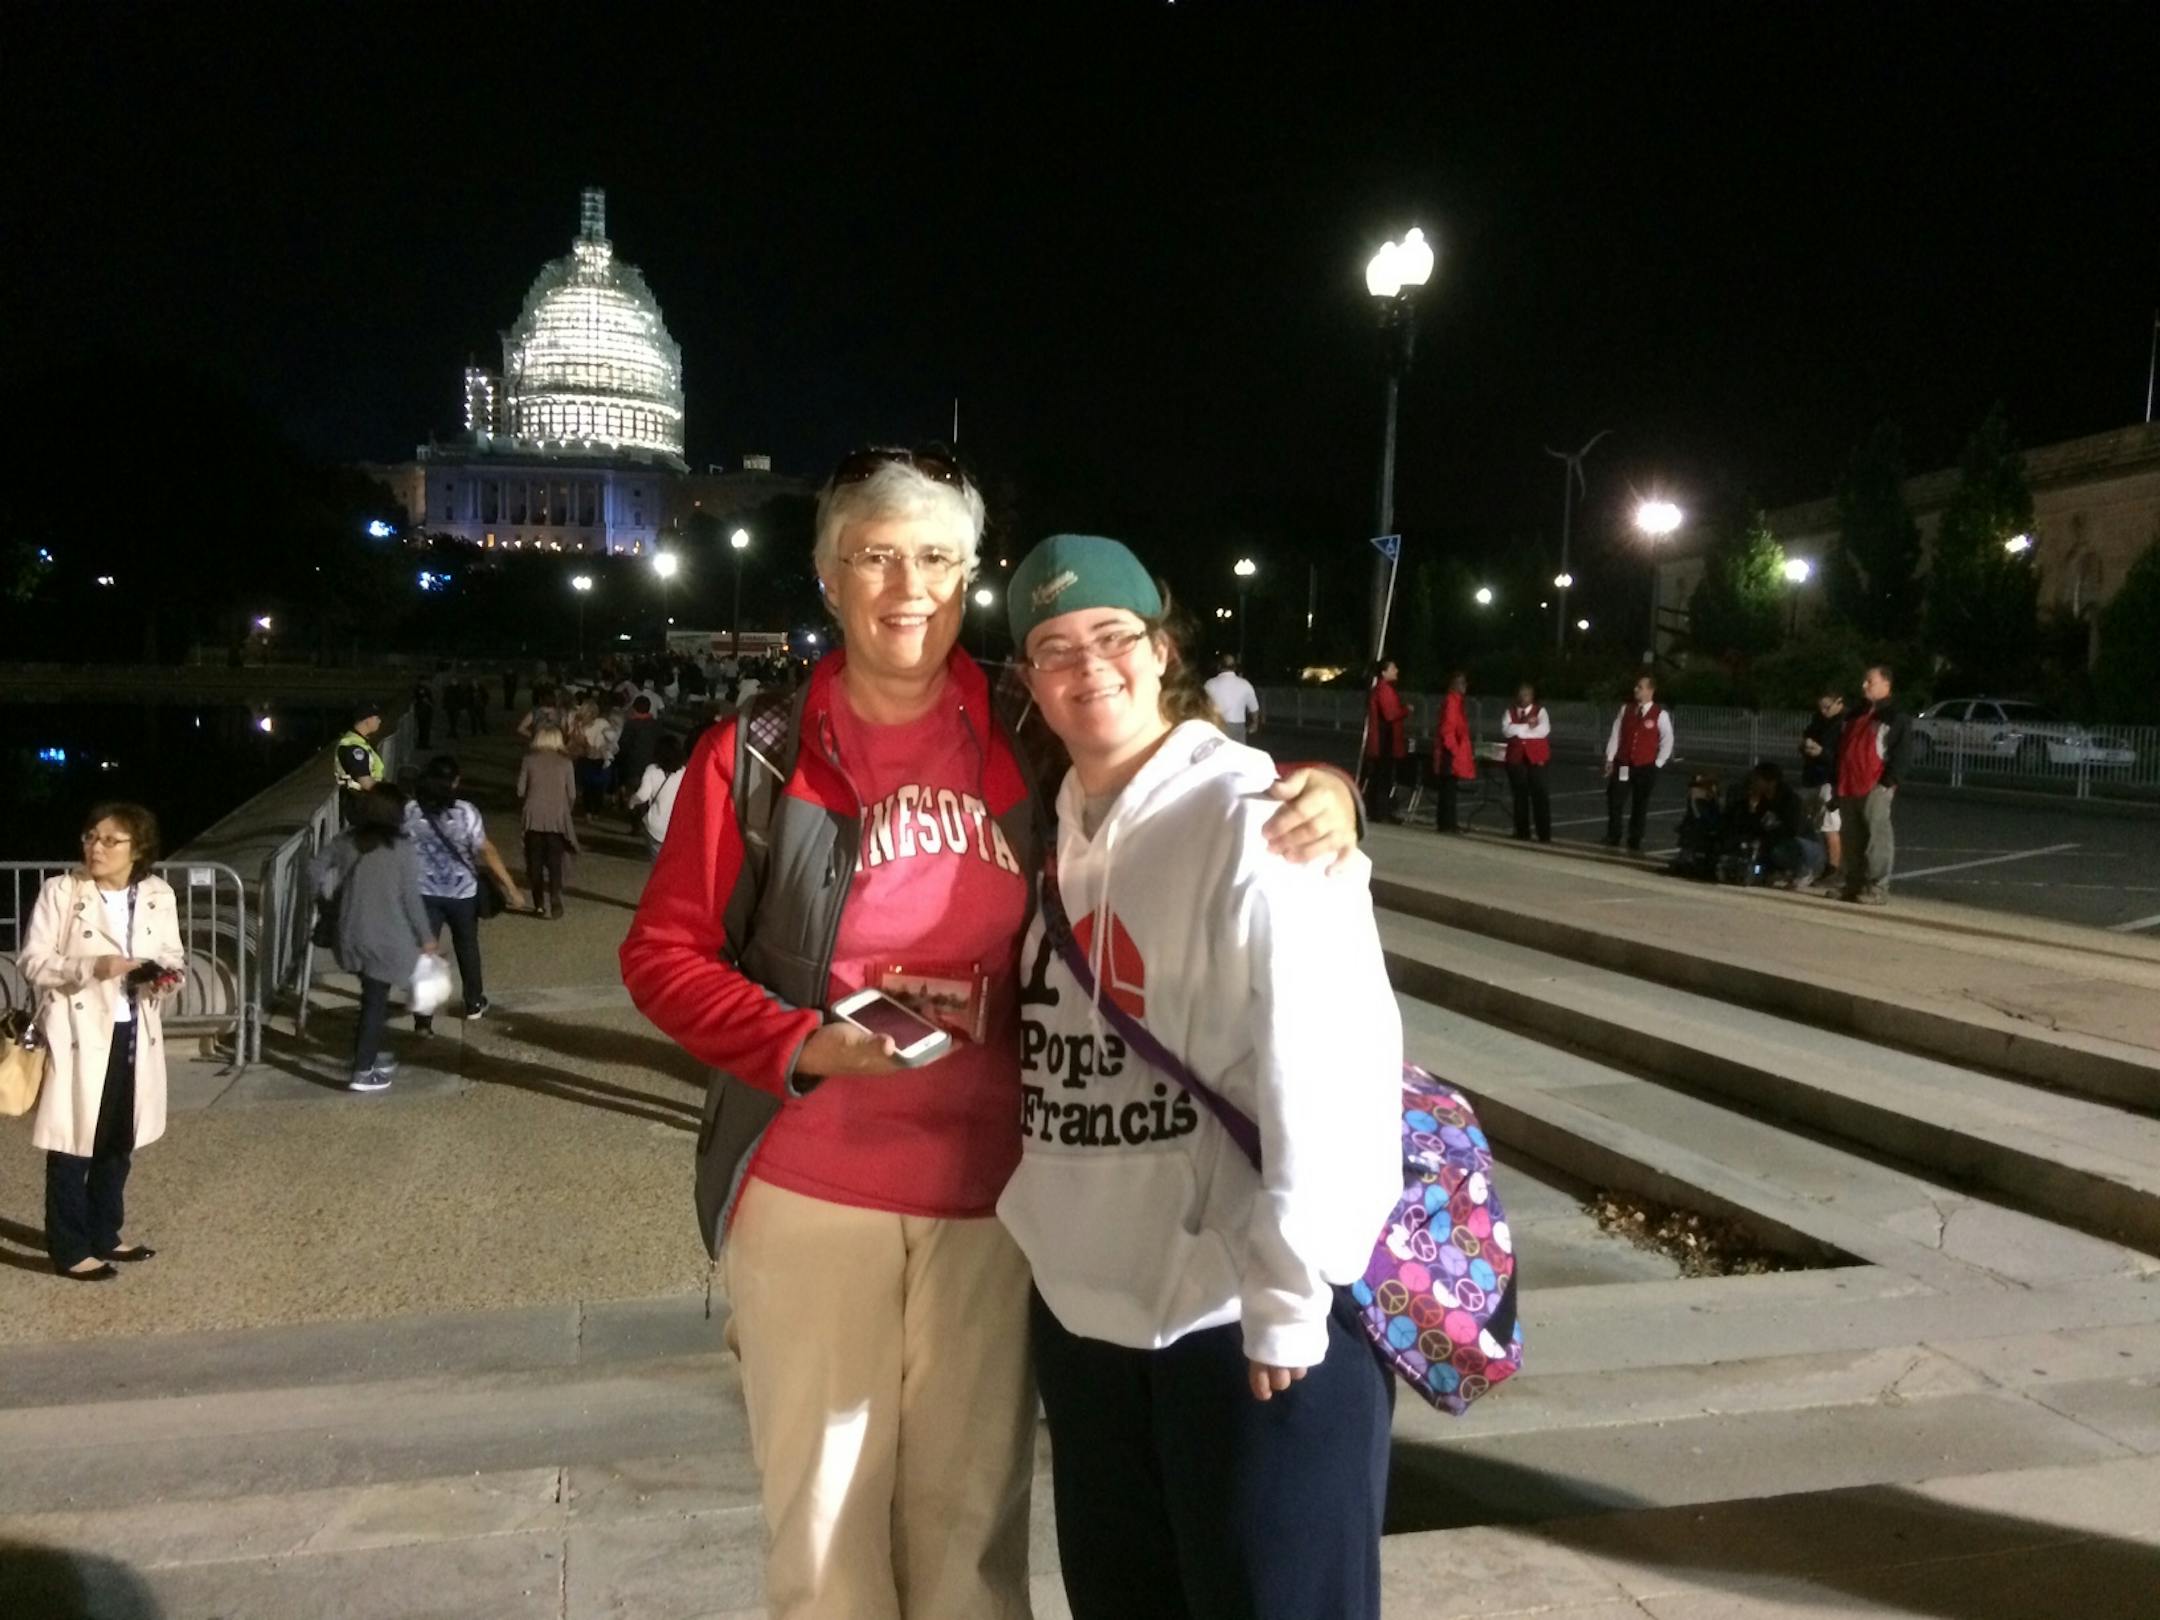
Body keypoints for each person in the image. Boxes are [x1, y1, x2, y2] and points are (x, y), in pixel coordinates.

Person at [619, 449, 1361, 1620]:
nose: (906, 587)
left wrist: (1323, 789)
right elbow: (661, 955)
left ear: (968, 578)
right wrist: (802, 1044)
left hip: (996, 1194)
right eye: (875, 556)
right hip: (814, 1189)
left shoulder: (1023, 725)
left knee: (972, 1526)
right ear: (827, 576)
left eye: (935, 558)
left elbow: (1161, 762)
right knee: (826, 1527)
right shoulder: (758, 753)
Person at [998, 533, 1401, 1620]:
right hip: (1089, 1323)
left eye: (1112, 636)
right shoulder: (1051, 833)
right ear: (1029, 680)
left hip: (1242, 1325)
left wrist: (1289, 1298)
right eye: (1054, 649)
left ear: (1161, 649)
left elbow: (1333, 1064)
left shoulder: (1256, 818)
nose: (1089, 667)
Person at [19, 803, 185, 1280]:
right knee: (72, 1140)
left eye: (110, 840)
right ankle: (70, 1248)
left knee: (118, 1138)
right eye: (91, 837)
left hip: (134, 1030)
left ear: (138, 848)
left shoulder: (158, 894)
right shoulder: (62, 891)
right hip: (77, 1034)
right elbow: (33, 961)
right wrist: (93, 967)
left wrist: (166, 978)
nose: (96, 847)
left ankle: (105, 1232)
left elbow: (172, 953)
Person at [310, 786, 435, 1092]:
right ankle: (362, 1071)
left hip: (350, 932)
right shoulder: (401, 848)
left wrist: (324, 903)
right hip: (386, 936)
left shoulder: (346, 841)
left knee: (372, 994)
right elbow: (411, 899)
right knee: (376, 1001)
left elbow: (313, 869)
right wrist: (426, 937)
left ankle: (371, 1052)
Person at [406, 756, 525, 1031]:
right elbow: (487, 850)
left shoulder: (411, 810)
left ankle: (423, 1016)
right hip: (462, 892)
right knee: (467, 946)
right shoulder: (465, 812)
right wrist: (510, 887)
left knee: (425, 951)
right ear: (455, 782)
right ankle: (473, 1002)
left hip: (424, 890)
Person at [1834, 663, 1909, 906]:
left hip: (1875, 785)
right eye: (1865, 681)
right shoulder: (1855, 714)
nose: (1864, 685)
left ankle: (1877, 887)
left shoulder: (1895, 716)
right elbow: (1842, 748)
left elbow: (1901, 753)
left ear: (1886, 684)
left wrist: (1888, 782)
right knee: (1851, 839)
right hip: (1848, 784)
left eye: (1870, 681)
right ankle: (1852, 884)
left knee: (1877, 839)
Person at [1603, 672, 1674, 852]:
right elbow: (1616, 734)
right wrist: (1610, 757)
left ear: (1650, 691)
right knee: (1615, 799)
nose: (1636, 690)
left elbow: (1667, 740)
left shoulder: (1660, 714)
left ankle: (1635, 838)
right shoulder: (1626, 709)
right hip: (1624, 763)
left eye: (1640, 687)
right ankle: (1613, 834)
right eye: (1636, 687)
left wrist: (1658, 763)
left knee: (1640, 803)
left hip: (1645, 766)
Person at [1730, 761, 1826, 889]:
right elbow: (1752, 829)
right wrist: (1752, 810)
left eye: (1757, 780)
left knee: (1779, 850)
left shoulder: (1790, 800)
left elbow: (1793, 830)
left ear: (1771, 782)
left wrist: (1769, 837)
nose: (1753, 783)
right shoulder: (1761, 801)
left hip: (1805, 847)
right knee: (1757, 847)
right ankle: (1776, 873)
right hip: (1780, 842)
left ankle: (1804, 872)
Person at [517, 726, 578, 920]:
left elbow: (520, 790)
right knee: (554, 861)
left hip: (533, 815)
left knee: (534, 860)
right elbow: (572, 794)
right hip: (557, 816)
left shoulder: (529, 760)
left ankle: (538, 904)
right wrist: (565, 808)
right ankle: (555, 897)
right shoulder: (565, 762)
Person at [1800, 689, 1847, 887]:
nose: (1823, 711)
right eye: (1821, 707)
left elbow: (1841, 757)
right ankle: (1813, 865)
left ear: (1839, 703)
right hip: (1813, 776)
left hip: (1829, 778)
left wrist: (1821, 752)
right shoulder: (1818, 721)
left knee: (1829, 825)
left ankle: (1834, 868)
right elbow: (1806, 739)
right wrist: (1805, 746)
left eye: (1827, 707)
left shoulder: (1844, 724)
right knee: (1813, 824)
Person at [1501, 682, 1553, 842]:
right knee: (1519, 796)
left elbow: (1543, 730)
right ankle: (1522, 832)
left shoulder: (1540, 711)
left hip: (1536, 758)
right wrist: (1527, 728)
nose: (1523, 698)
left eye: (1526, 695)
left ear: (1532, 696)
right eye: (1520, 695)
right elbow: (1506, 731)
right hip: (1516, 759)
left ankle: (1544, 834)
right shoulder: (1509, 711)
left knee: (1540, 794)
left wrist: (1519, 731)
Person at [1362, 659, 1408, 824]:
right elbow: (1390, 714)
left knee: (1379, 776)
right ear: (1384, 672)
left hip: (1382, 739)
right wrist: (1405, 710)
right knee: (1383, 776)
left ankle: (1375, 810)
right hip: (1385, 739)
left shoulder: (1380, 689)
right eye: (1393, 668)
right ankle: (1381, 811)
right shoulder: (1384, 690)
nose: (1396, 671)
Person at [627, 731, 687, 858]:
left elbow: (643, 795)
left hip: (655, 827)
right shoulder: (684, 772)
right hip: (676, 828)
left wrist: (632, 801)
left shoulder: (652, 770)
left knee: (657, 861)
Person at [1431, 670, 1474, 834]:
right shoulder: (1452, 702)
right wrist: (1454, 749)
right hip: (1449, 752)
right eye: (1462, 683)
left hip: (1450, 750)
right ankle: (1448, 823)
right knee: (1448, 788)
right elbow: (1448, 729)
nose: (1465, 686)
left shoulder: (1455, 702)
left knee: (1448, 788)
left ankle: (1446, 822)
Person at [333, 701, 386, 825]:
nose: (380, 721)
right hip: (360, 804)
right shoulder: (354, 746)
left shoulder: (359, 741)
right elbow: (365, 782)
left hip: (364, 802)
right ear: (367, 720)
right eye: (377, 718)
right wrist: (389, 795)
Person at [1669, 772, 1724, 880]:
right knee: (1694, 835)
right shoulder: (1698, 797)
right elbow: (1699, 815)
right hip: (1698, 826)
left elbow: (1713, 814)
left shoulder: (1709, 799)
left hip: (1703, 825)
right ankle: (1687, 860)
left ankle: (1692, 859)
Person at [1202, 652, 1262, 743]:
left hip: (1217, 725)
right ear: (1235, 667)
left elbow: (1203, 706)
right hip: (1237, 727)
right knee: (1237, 751)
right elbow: (1254, 708)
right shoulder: (1245, 684)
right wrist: (1255, 724)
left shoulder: (1209, 684)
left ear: (1219, 666)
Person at [613, 694, 661, 804]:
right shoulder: (657, 725)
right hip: (651, 765)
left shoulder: (631, 725)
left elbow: (623, 746)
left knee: (631, 793)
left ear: (634, 708)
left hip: (632, 767)